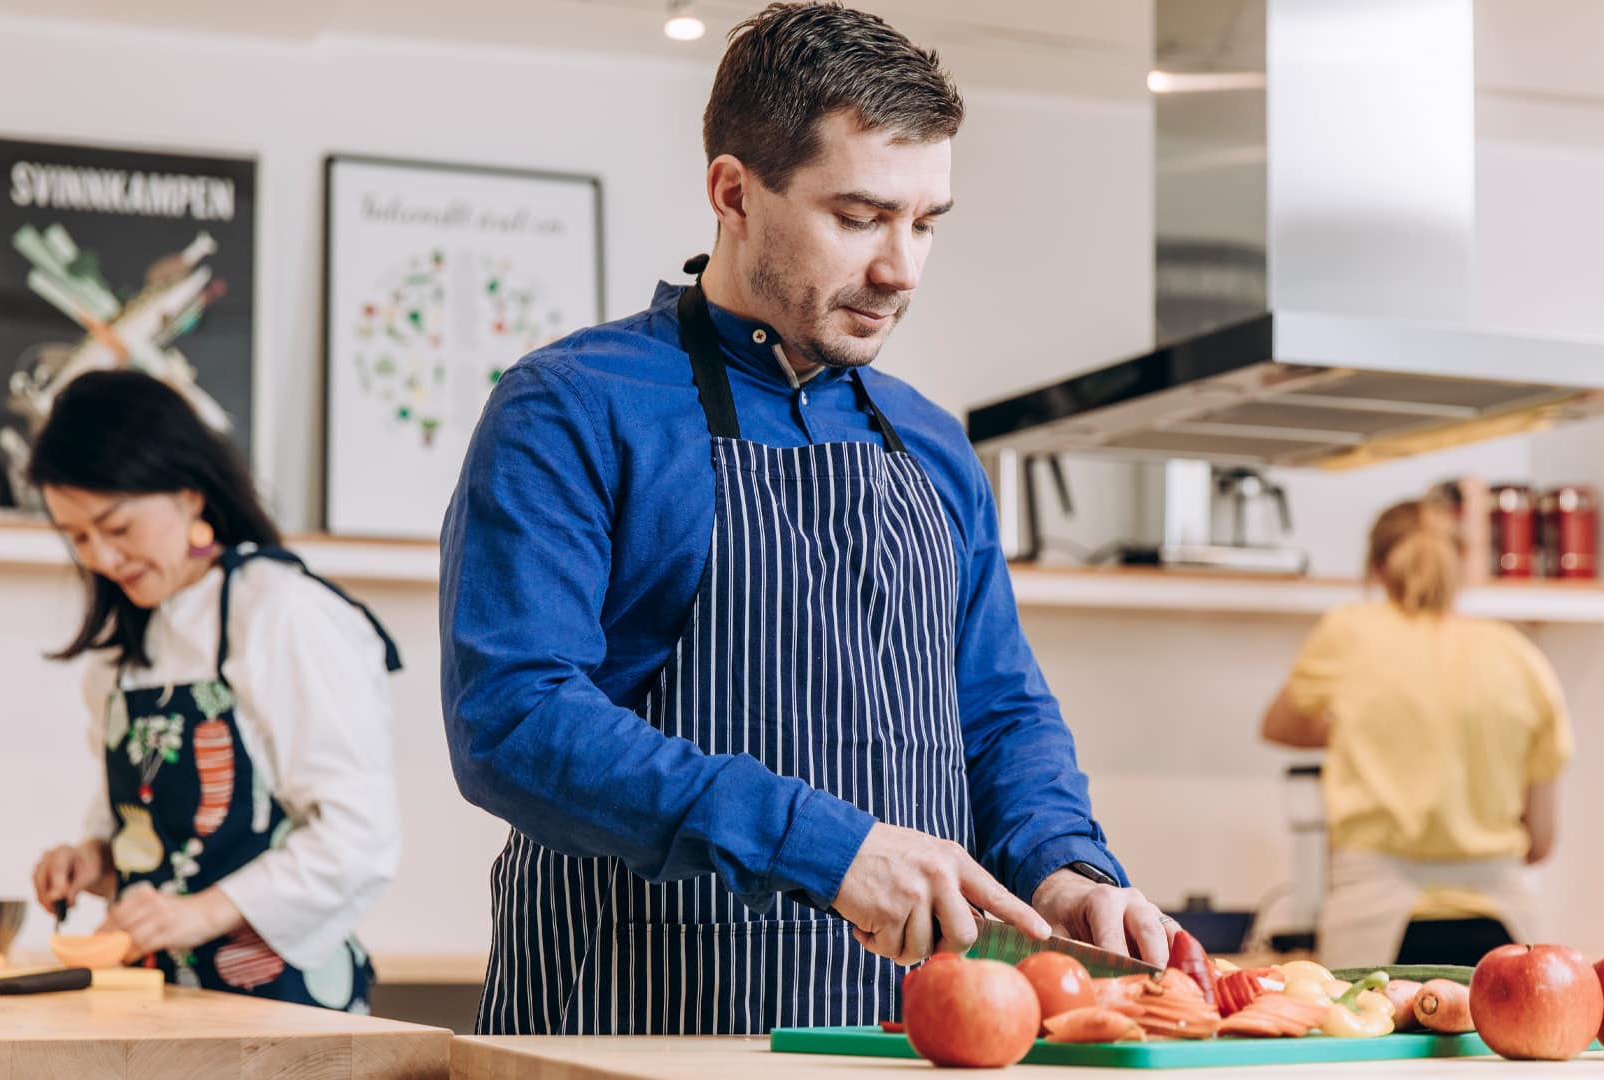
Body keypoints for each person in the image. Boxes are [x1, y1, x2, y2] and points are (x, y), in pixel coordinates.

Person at [441, 1, 1184, 1037]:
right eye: (860, 216)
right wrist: (823, 845)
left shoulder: (929, 445)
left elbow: (999, 710)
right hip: (640, 1023)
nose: (902, 270)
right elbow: (513, 723)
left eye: (926, 223)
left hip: (915, 1032)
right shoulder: (573, 405)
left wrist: (1065, 867)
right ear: (733, 192)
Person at [29, 370, 402, 1011]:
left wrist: (202, 913)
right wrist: (95, 857)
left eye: (117, 528)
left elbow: (357, 836)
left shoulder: (283, 613)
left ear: (189, 494)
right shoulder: (122, 654)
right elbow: (146, 819)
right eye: (78, 538)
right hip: (157, 1002)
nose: (101, 558)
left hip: (283, 1005)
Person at [1261, 498, 1573, 969]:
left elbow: (1281, 725)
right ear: (1461, 565)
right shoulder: (1519, 657)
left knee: (1367, 1039)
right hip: (1503, 934)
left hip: (1371, 928)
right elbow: (1542, 840)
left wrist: (1366, 730)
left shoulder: (1350, 633)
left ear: (1378, 568)